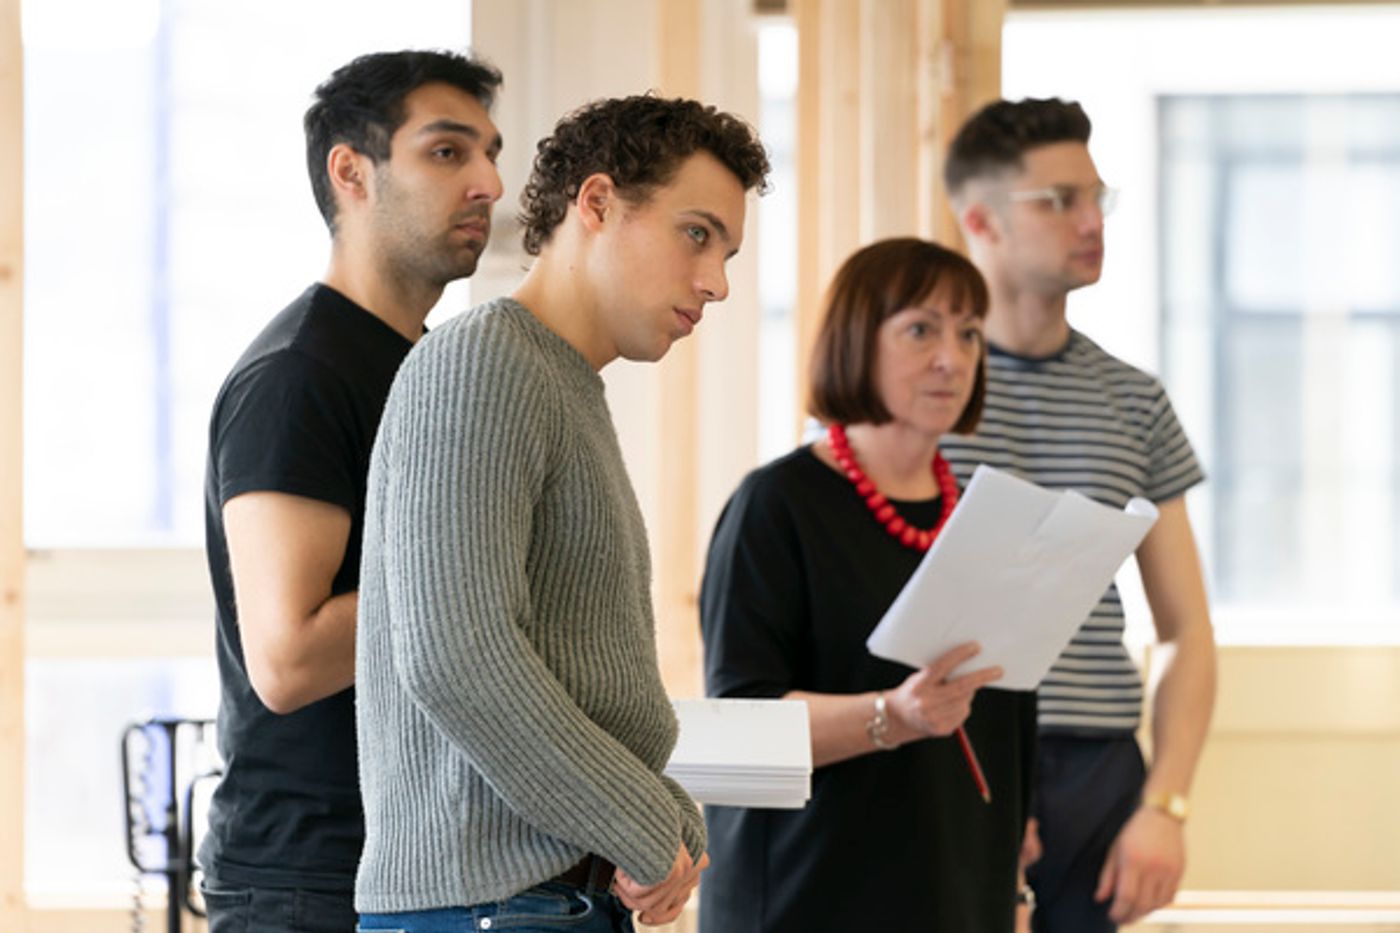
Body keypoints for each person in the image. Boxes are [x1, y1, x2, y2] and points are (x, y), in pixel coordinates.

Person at [352, 95, 771, 933]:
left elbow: (584, 680)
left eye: (726, 252)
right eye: (696, 233)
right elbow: (456, 654)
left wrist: (670, 822)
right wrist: (648, 826)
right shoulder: (484, 359)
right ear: (597, 204)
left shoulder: (560, 381)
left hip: (538, 904)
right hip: (489, 911)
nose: (717, 283)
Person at [200, 50, 504, 931]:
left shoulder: (419, 368)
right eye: (447, 153)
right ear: (351, 171)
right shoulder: (299, 375)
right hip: (308, 883)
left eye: (490, 152)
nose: (487, 180)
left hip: (411, 863)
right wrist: (488, 578)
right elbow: (288, 659)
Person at [699, 237, 1038, 932]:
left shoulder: (983, 516)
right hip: (806, 895)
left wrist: (1013, 890)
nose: (953, 357)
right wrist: (893, 714)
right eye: (921, 329)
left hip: (957, 894)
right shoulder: (776, 505)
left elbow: (1006, 725)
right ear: (856, 341)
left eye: (969, 332)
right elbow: (741, 727)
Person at [940, 97, 1217, 932]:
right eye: (1059, 200)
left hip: (1097, 769)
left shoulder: (1134, 399)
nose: (1092, 220)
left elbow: (1184, 629)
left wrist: (1165, 804)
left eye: (1098, 197)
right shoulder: (908, 389)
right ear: (981, 220)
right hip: (950, 746)